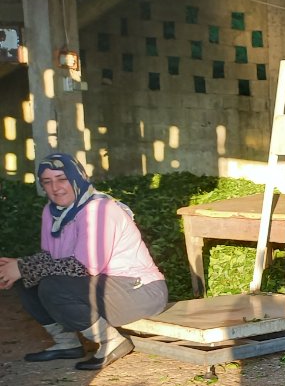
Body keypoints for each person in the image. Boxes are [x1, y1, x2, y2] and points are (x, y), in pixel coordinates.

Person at [0, 153, 168, 370]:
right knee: (28, 280)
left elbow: (85, 266)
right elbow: (51, 259)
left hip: (139, 292)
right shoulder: (52, 213)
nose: (55, 188)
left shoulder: (101, 209)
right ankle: (66, 343)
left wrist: (24, 266)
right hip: (101, 286)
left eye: (62, 179)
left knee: (51, 284)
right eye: (47, 182)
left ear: (78, 177)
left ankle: (111, 342)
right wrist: (17, 268)